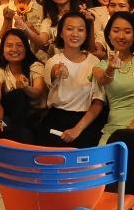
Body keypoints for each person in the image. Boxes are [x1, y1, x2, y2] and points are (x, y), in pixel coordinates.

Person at [35, 13, 105, 146]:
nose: (75, 34)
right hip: (57, 117)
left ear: (86, 34)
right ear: (61, 33)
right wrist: (58, 71)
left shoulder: (95, 62)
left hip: (86, 120)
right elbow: (53, 71)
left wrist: (77, 129)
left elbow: (98, 102)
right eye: (70, 29)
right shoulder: (53, 61)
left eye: (80, 29)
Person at [95, 11, 134, 142]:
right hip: (113, 129)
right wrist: (110, 68)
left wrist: (128, 133)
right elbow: (102, 80)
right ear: (109, 35)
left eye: (127, 32)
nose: (121, 36)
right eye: (116, 31)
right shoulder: (101, 65)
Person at [0, 28, 45, 140]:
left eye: (19, 45)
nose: (14, 49)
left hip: (36, 115)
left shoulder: (35, 66)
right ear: (2, 50)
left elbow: (38, 93)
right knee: (17, 95)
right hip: (12, 117)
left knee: (20, 94)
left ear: (26, 48)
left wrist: (26, 88)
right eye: (9, 45)